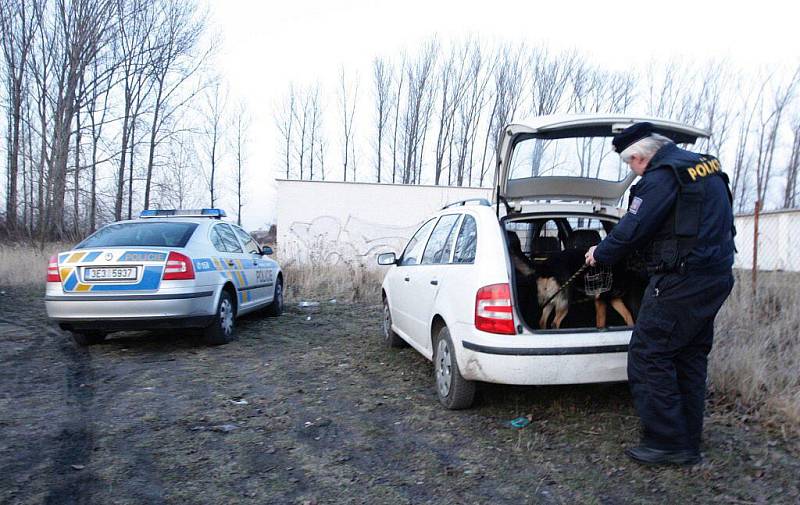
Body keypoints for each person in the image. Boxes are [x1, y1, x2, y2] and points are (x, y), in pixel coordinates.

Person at [584, 122, 735, 466]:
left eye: (630, 165)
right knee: (688, 355)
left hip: (680, 282)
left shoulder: (660, 176)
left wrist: (600, 253)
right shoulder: (704, 166)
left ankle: (667, 444)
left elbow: (632, 229)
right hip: (715, 277)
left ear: (638, 157)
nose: (633, 171)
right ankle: (687, 437)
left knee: (649, 353)